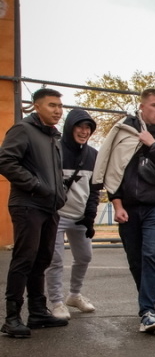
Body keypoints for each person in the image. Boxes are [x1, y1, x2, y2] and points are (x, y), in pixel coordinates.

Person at [93, 88, 155, 333]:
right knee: (136, 260)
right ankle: (146, 304)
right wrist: (116, 204)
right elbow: (113, 171)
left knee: (151, 255)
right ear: (142, 107)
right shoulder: (124, 132)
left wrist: (154, 146)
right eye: (154, 105)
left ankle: (148, 310)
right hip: (128, 208)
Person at [0, 88, 69, 337]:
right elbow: (5, 161)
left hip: (49, 207)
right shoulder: (23, 130)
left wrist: (60, 192)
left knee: (42, 259)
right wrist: (37, 186)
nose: (58, 110)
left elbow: (56, 174)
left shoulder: (52, 137)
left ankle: (38, 312)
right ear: (36, 106)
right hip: (27, 204)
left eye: (60, 106)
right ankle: (11, 317)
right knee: (24, 259)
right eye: (52, 105)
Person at [45, 108, 102, 320]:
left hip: (79, 216)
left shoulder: (93, 155)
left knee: (85, 256)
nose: (84, 131)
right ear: (70, 127)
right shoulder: (55, 150)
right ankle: (57, 302)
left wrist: (90, 215)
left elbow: (95, 189)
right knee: (55, 260)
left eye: (88, 127)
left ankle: (74, 295)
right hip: (56, 216)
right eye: (80, 126)